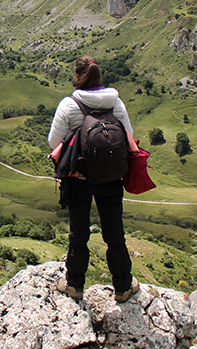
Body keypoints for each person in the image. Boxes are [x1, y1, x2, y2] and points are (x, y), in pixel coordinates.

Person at [47, 55, 140, 302]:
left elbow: (53, 143)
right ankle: (123, 287)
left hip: (79, 177)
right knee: (114, 232)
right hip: (110, 177)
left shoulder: (69, 105)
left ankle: (75, 286)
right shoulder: (116, 104)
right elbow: (129, 136)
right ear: (99, 75)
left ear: (77, 77)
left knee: (79, 234)